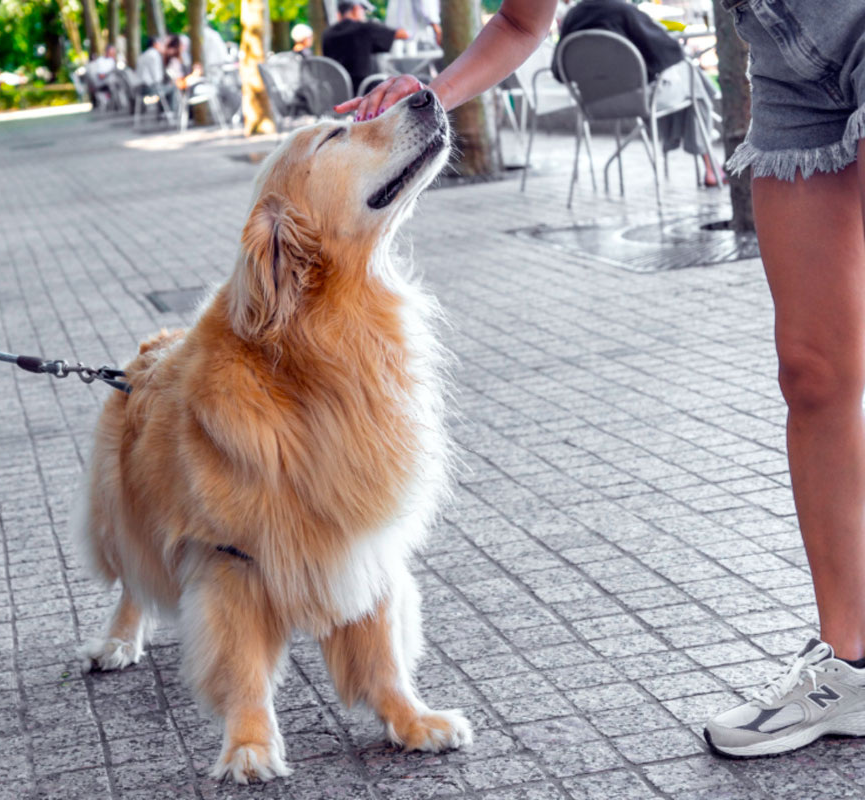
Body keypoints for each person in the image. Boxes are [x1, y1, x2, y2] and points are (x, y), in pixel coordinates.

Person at [342, 0, 865, 761]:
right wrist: (429, 93)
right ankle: (847, 668)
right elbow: (522, 23)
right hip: (787, 65)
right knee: (814, 373)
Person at [554, 0, 721, 187]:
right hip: (639, 99)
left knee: (683, 83)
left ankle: (700, 156)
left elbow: (558, 71)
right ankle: (710, 164)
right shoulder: (622, 11)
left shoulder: (572, 17)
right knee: (691, 76)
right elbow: (670, 51)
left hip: (593, 104)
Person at [322, 0, 409, 98]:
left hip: (335, 95)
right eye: (364, 10)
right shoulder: (365, 29)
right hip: (364, 92)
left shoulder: (327, 34)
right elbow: (404, 34)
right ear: (356, 8)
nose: (365, 14)